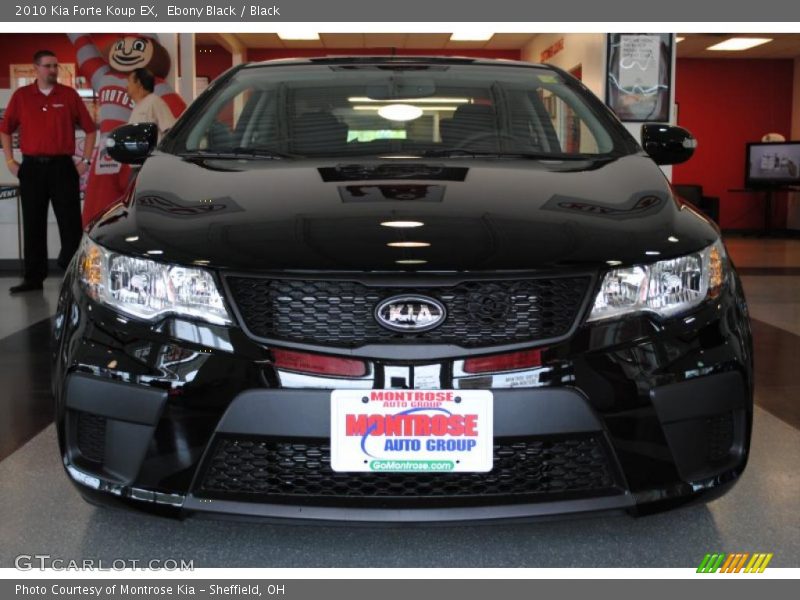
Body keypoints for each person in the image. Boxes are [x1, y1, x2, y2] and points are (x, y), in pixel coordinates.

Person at [0, 49, 97, 294]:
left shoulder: (69, 95)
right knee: (33, 225)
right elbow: (5, 129)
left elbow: (90, 129)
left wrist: (85, 160)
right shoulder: (22, 96)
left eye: (55, 66)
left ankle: (73, 274)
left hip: (63, 168)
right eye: (48, 66)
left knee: (71, 225)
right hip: (31, 168)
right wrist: (10, 160)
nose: (53, 70)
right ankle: (33, 278)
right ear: (36, 68)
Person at [127, 68, 177, 139]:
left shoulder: (154, 101)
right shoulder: (137, 107)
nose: (127, 86)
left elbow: (170, 130)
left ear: (138, 83)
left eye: (129, 81)